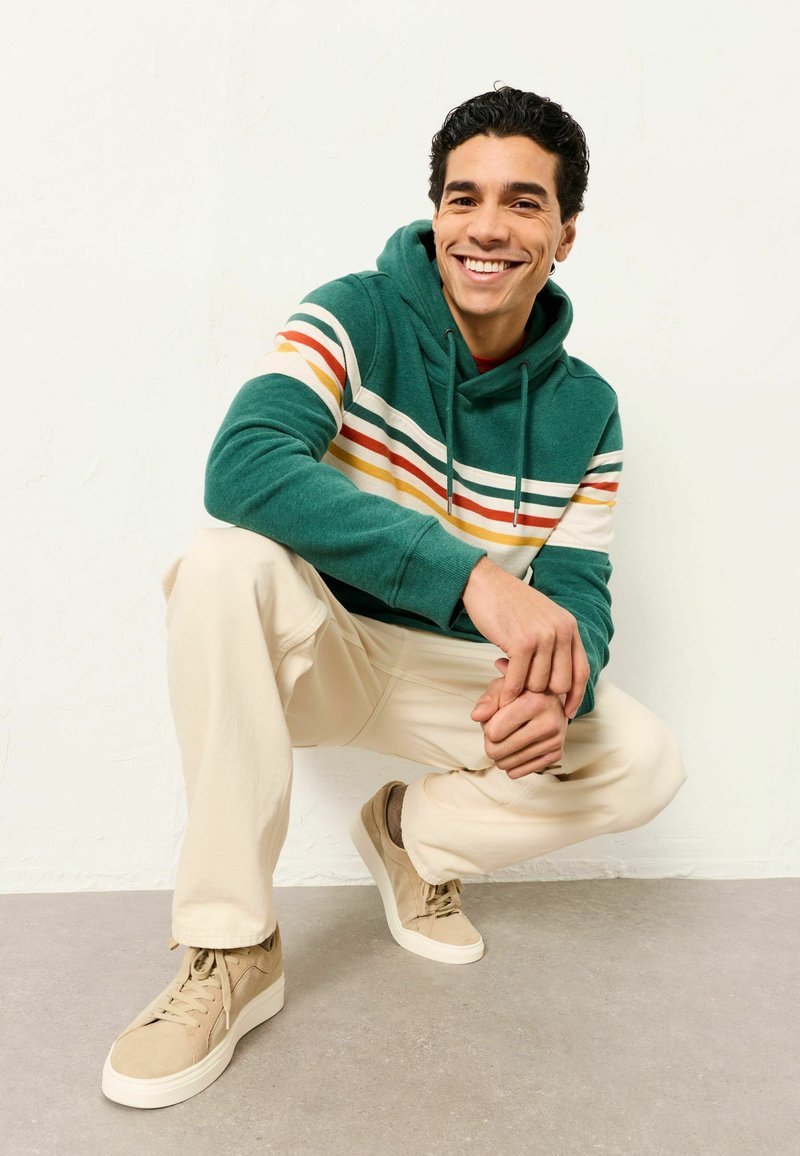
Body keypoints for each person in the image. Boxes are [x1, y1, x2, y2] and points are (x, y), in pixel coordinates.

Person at [101, 86, 685, 1110]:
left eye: (522, 202)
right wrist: (472, 575)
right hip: (317, 646)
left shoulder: (587, 410)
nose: (486, 228)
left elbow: (578, 596)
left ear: (565, 234)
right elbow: (243, 464)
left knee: (641, 759)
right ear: (436, 212)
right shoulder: (352, 312)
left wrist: (559, 687)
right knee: (221, 563)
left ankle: (412, 835)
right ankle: (230, 948)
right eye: (464, 198)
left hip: (453, 683)